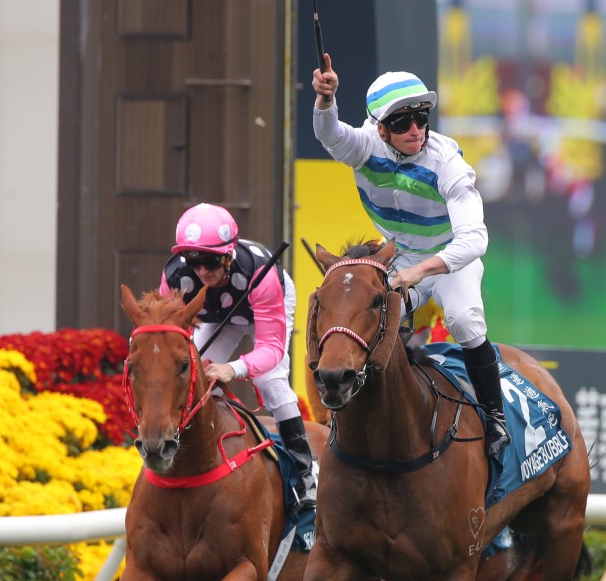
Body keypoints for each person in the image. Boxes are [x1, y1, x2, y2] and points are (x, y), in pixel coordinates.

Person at [310, 56, 511, 459]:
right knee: (367, 321)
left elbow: (475, 240)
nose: (416, 130)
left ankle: (496, 419)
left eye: (422, 118)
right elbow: (330, 137)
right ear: (379, 127)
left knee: (464, 320)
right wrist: (326, 101)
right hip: (402, 260)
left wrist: (416, 273)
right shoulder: (365, 145)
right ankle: (359, 420)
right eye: (403, 124)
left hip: (451, 258)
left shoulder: (446, 161)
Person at [159, 203, 317, 506]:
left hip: (263, 309)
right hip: (218, 316)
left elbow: (270, 349)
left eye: (211, 262)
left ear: (229, 255)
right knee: (193, 375)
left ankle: (304, 474)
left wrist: (234, 368)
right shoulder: (175, 276)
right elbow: (168, 337)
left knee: (271, 382)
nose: (203, 272)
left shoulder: (261, 274)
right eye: (193, 262)